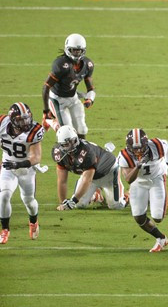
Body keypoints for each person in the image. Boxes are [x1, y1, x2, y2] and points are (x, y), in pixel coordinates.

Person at [118, 129, 168, 253]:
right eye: (134, 148)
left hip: (156, 179)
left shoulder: (157, 145)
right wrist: (138, 166)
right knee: (139, 217)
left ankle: (149, 199)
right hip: (138, 183)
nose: (138, 151)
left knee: (158, 217)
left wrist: (166, 164)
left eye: (140, 148)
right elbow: (129, 179)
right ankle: (161, 238)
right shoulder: (124, 156)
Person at [53, 125, 128, 210]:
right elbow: (62, 181)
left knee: (117, 206)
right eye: (67, 144)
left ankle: (128, 195)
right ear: (61, 145)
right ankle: (96, 195)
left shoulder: (86, 152)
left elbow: (87, 179)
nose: (72, 145)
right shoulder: (59, 154)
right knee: (80, 204)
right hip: (91, 177)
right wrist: (63, 202)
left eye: (73, 141)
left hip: (108, 173)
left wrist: (73, 201)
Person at [0, 103, 44, 244]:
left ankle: (33, 222)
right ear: (13, 120)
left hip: (26, 169)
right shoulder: (2, 123)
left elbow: (36, 157)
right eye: (21, 120)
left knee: (29, 201)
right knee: (4, 195)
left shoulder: (34, 130)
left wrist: (19, 164)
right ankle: (5, 229)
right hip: (8, 165)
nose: (25, 122)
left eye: (27, 118)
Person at [42, 33, 96, 139]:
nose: (76, 53)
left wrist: (90, 99)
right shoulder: (61, 65)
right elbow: (46, 87)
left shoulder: (88, 65)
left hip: (73, 97)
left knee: (82, 129)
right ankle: (50, 120)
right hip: (57, 100)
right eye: (74, 50)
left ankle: (82, 153)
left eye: (79, 50)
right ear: (67, 49)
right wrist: (46, 111)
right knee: (67, 132)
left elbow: (90, 88)